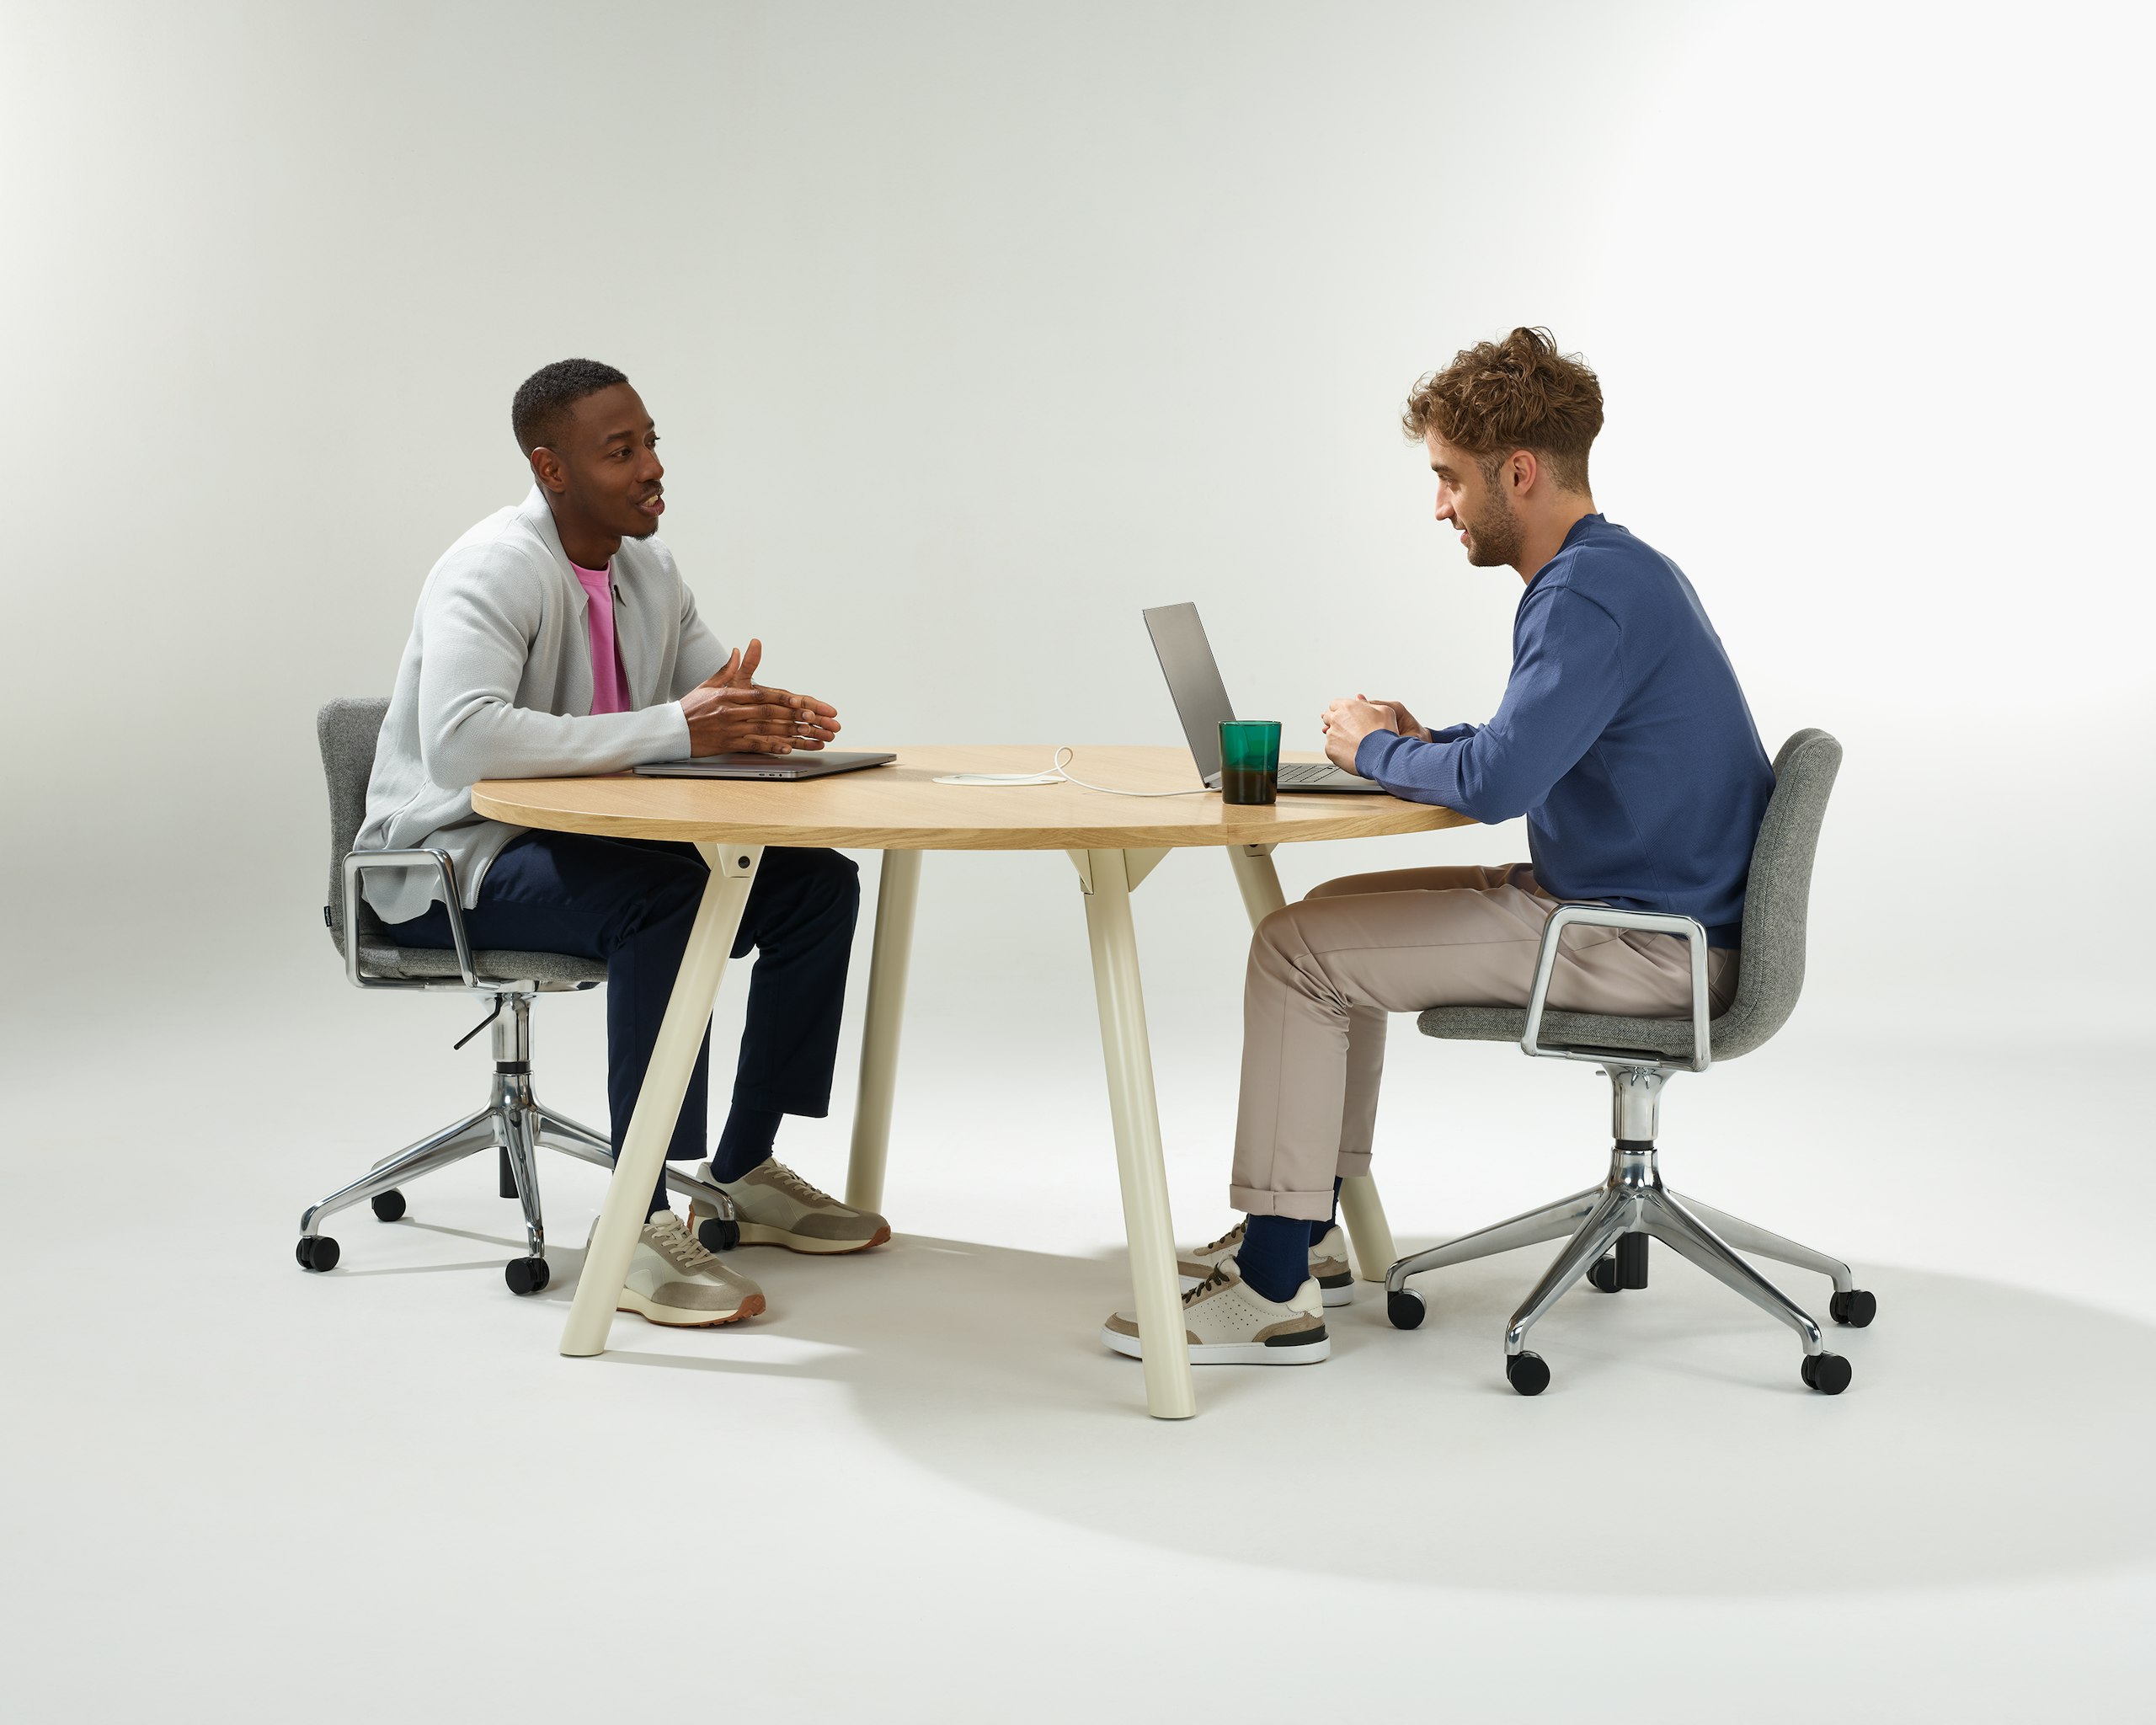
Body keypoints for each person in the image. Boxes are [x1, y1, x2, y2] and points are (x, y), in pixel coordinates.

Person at [1102, 327, 1773, 1365]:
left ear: (1518, 471)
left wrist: (1374, 747)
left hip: (1642, 940)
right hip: (1637, 911)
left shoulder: (1585, 591)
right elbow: (1527, 748)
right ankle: (1307, 1230)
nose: (1439, 505)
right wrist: (1423, 746)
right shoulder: (1612, 573)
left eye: (1450, 478)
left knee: (1295, 953)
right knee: (1317, 924)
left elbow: (1503, 785)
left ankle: (1271, 1288)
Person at [357, 358, 889, 1329]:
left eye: (651, 443)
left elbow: (704, 703)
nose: (651, 468)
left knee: (814, 886)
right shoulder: (493, 567)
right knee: (669, 905)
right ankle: (637, 1221)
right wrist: (685, 727)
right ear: (550, 468)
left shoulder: (649, 569)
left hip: (577, 843)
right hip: (451, 860)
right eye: (621, 450)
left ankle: (742, 1169)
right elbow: (464, 739)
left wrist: (762, 719)